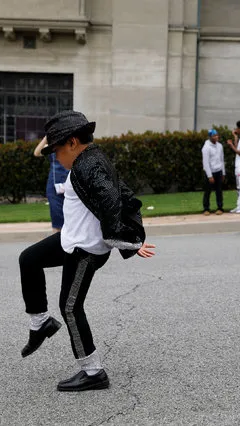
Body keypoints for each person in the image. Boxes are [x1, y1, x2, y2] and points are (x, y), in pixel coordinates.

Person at [18, 111, 156, 392]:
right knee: (29, 259)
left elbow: (112, 199)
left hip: (86, 249)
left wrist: (130, 241)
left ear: (71, 142)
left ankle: (93, 372)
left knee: (70, 306)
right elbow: (123, 193)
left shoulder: (88, 166)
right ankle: (41, 323)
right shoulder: (88, 160)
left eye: (56, 150)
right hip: (71, 239)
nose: (55, 157)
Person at [34, 136, 69, 232]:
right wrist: (46, 137)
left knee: (72, 219)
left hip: (70, 185)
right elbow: (37, 153)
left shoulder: (71, 145)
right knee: (57, 218)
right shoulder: (52, 147)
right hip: (54, 187)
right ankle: (57, 244)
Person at [201, 129, 225, 215]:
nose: (216, 137)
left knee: (219, 191)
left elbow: (222, 159)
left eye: (217, 135)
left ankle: (220, 207)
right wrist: (209, 176)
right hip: (210, 172)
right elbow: (206, 162)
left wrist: (223, 172)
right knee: (207, 191)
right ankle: (206, 209)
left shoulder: (220, 146)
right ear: (210, 137)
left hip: (218, 171)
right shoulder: (206, 148)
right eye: (214, 136)